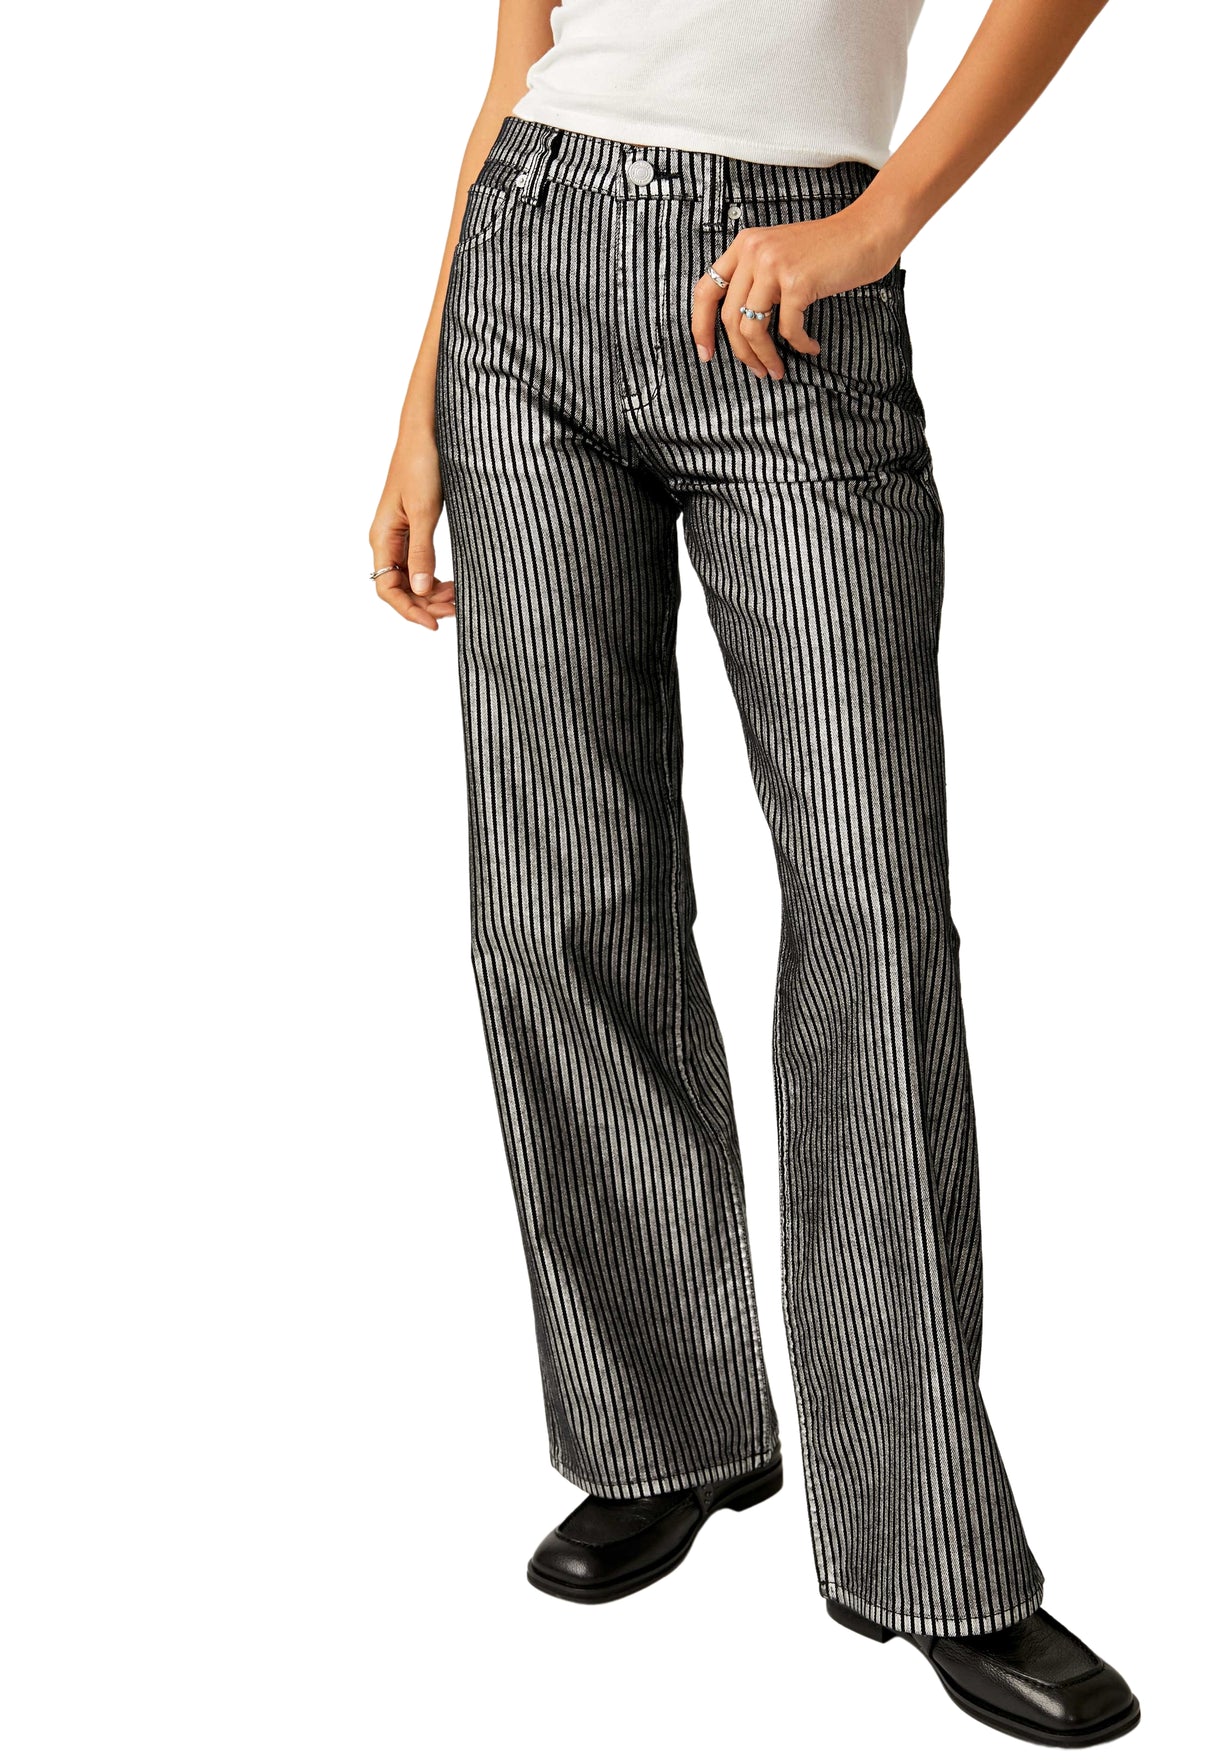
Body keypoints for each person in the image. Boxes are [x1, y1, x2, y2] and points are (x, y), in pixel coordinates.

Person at [369, 0, 1138, 1744]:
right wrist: (418, 408)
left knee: (874, 920)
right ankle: (664, 1433)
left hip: (792, 300)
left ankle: (926, 1547)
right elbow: (516, 71)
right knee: (557, 906)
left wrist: (879, 220)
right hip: (524, 288)